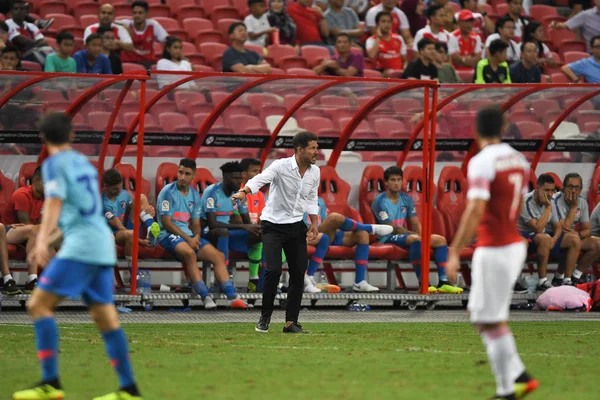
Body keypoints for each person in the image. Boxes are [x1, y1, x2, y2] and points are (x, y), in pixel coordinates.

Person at [13, 112, 143, 400]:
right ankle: (129, 389)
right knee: (106, 318)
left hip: (82, 247)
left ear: (44, 139)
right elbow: (80, 215)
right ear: (71, 135)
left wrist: (43, 240)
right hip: (101, 245)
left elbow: (56, 204)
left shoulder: (53, 164)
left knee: (37, 305)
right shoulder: (83, 165)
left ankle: (50, 383)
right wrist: (53, 238)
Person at [446, 107, 538, 400]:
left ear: (475, 131)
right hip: (513, 243)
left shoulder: (481, 161)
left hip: (495, 246)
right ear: (505, 126)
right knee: (479, 314)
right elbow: (519, 204)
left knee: (491, 320)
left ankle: (506, 391)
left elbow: (475, 209)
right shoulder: (519, 159)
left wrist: (454, 251)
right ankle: (520, 375)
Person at [232, 131, 321, 334]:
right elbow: (260, 179)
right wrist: (243, 192)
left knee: (298, 273)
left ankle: (291, 322)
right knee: (273, 270)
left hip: (296, 225)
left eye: (316, 148)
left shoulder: (315, 172)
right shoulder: (280, 166)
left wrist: (314, 222)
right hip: (273, 225)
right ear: (300, 150)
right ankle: (265, 317)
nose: (317, 152)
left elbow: (312, 197)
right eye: (313, 148)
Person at [157, 158, 249, 309]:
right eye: (180, 172)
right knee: (190, 254)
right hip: (168, 236)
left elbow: (196, 223)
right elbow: (167, 223)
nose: (182, 177)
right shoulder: (167, 192)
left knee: (218, 257)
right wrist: (189, 239)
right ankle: (205, 297)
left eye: (187, 174)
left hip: (189, 236)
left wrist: (197, 237)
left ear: (193, 175)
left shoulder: (194, 195)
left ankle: (231, 297)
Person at [372, 166, 462, 294]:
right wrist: (416, 236)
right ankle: (423, 283)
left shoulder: (406, 199)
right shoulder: (380, 201)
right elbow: (391, 227)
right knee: (414, 239)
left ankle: (443, 282)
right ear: (386, 182)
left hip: (405, 236)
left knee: (440, 240)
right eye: (392, 180)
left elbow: (415, 222)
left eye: (399, 179)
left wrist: (422, 236)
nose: (396, 183)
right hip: (386, 237)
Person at [199, 161, 259, 308]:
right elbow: (212, 224)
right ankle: (224, 277)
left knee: (262, 235)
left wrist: (258, 229)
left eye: (240, 179)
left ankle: (260, 283)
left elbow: (247, 222)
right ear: (225, 177)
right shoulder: (212, 193)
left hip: (226, 233)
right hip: (207, 233)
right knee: (223, 232)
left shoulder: (239, 194)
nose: (239, 182)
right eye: (235, 179)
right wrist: (243, 226)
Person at [305, 197, 392, 293]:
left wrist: (330, 228)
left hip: (323, 234)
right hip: (306, 235)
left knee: (362, 234)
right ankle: (370, 228)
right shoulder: (294, 197)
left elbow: (324, 222)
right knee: (334, 217)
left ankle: (359, 282)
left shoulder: (320, 200)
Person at [517, 174, 581, 291]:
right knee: (544, 237)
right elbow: (537, 228)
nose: (550, 194)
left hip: (541, 236)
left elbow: (557, 226)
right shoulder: (525, 201)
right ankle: (543, 281)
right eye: (546, 190)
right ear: (537, 188)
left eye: (552, 190)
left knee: (574, 239)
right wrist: (547, 208)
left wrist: (554, 239)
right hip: (523, 234)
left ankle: (566, 280)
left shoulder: (551, 200)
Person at [101, 168, 160, 274]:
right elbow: (119, 227)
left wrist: (148, 208)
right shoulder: (104, 203)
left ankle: (150, 226)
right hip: (114, 233)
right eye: (115, 189)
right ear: (106, 186)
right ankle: (133, 271)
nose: (119, 191)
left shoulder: (123, 194)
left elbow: (135, 207)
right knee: (130, 234)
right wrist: (141, 241)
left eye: (121, 187)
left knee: (140, 197)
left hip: (127, 227)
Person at [551, 173, 600, 285]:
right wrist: (573, 207)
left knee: (597, 243)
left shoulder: (582, 201)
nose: (573, 191)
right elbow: (564, 229)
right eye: (570, 186)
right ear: (563, 188)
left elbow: (588, 230)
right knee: (573, 240)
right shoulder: (555, 200)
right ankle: (561, 278)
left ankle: (575, 276)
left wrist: (578, 234)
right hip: (554, 237)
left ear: (580, 189)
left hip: (573, 236)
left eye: (576, 187)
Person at [119, 0, 168, 68]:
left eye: (140, 13)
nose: (137, 15)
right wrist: (123, 27)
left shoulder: (153, 25)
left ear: (146, 14)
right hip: (128, 63)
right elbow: (110, 22)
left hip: (148, 63)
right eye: (135, 13)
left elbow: (167, 40)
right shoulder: (126, 24)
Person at [6, 0, 51, 65]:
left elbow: (44, 42)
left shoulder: (31, 26)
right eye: (16, 9)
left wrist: (30, 45)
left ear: (26, 12)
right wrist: (36, 44)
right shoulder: (8, 24)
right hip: (17, 57)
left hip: (33, 54)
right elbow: (20, 41)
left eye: (21, 9)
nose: (19, 11)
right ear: (11, 11)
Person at [366, 11, 406, 77]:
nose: (387, 24)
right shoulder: (371, 40)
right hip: (381, 71)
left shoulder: (398, 38)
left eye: (389, 22)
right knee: (391, 73)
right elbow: (372, 56)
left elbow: (405, 60)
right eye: (383, 21)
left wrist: (405, 68)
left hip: (399, 72)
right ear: (377, 24)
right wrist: (378, 37)